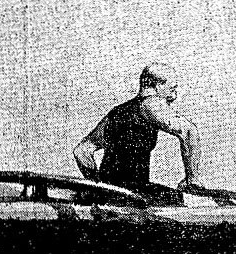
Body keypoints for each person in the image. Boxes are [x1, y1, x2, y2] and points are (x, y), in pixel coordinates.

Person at [73, 64, 205, 198]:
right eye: (172, 89)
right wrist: (192, 179)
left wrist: (99, 186)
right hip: (135, 195)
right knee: (189, 201)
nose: (174, 96)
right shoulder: (151, 104)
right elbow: (189, 131)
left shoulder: (118, 112)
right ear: (158, 86)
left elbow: (81, 151)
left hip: (114, 192)